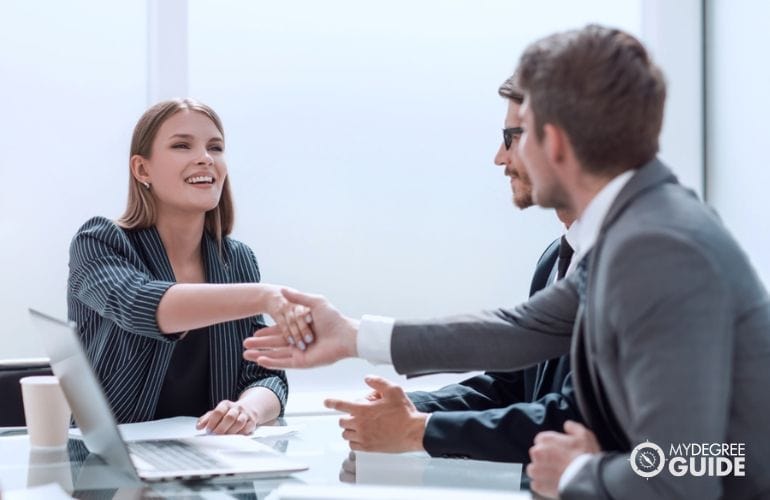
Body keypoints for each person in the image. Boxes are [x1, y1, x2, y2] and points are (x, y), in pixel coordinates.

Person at [246, 25, 770, 499]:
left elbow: (685, 476)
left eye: (524, 130)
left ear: (555, 141)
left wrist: (574, 474)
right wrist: (352, 336)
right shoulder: (637, 226)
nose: (504, 156)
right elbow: (522, 329)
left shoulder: (656, 246)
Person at [321, 78, 582, 468]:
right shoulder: (555, 258)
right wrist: (413, 407)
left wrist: (417, 429)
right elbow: (513, 383)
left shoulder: (630, 261)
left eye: (512, 137)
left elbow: (568, 418)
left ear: (558, 141)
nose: (500, 157)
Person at [68, 98, 312, 434]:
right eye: (182, 145)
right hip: (114, 464)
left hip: (212, 456)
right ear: (142, 169)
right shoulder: (100, 241)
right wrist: (265, 296)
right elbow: (141, 304)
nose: (205, 158)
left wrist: (247, 410)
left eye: (216, 147)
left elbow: (265, 374)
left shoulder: (236, 260)